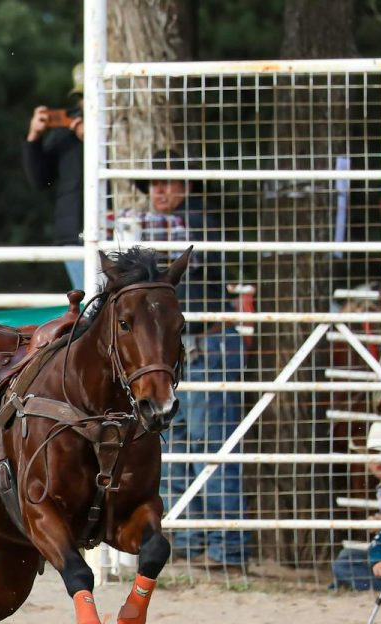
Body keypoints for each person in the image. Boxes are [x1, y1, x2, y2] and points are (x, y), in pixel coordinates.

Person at [124, 150, 249, 568]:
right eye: (155, 184)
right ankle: (193, 540)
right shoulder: (165, 226)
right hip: (175, 352)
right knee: (179, 442)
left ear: (187, 185)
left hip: (204, 344)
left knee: (207, 443)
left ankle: (224, 545)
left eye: (170, 182)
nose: (160, 191)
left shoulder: (198, 223)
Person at [23, 63, 85, 290]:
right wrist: (34, 138)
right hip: (73, 235)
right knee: (92, 303)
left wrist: (95, 138)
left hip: (117, 231)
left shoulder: (122, 127)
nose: (85, 102)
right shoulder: (66, 129)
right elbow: (40, 180)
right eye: (82, 97)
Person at [332, 421, 381, 591]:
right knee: (346, 557)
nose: (380, 459)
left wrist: (378, 556)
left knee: (344, 565)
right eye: (374, 452)